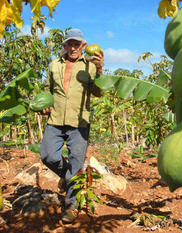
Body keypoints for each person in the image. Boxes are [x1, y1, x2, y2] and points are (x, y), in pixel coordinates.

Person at [39, 28, 104, 223]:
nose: (73, 48)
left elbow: (99, 93)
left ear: (83, 46)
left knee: (76, 166)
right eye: (70, 44)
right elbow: (47, 89)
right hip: (56, 119)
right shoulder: (53, 65)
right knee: (48, 156)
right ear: (65, 46)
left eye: (77, 44)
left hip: (79, 122)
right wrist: (44, 104)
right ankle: (67, 174)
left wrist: (99, 70)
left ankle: (70, 207)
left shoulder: (91, 66)